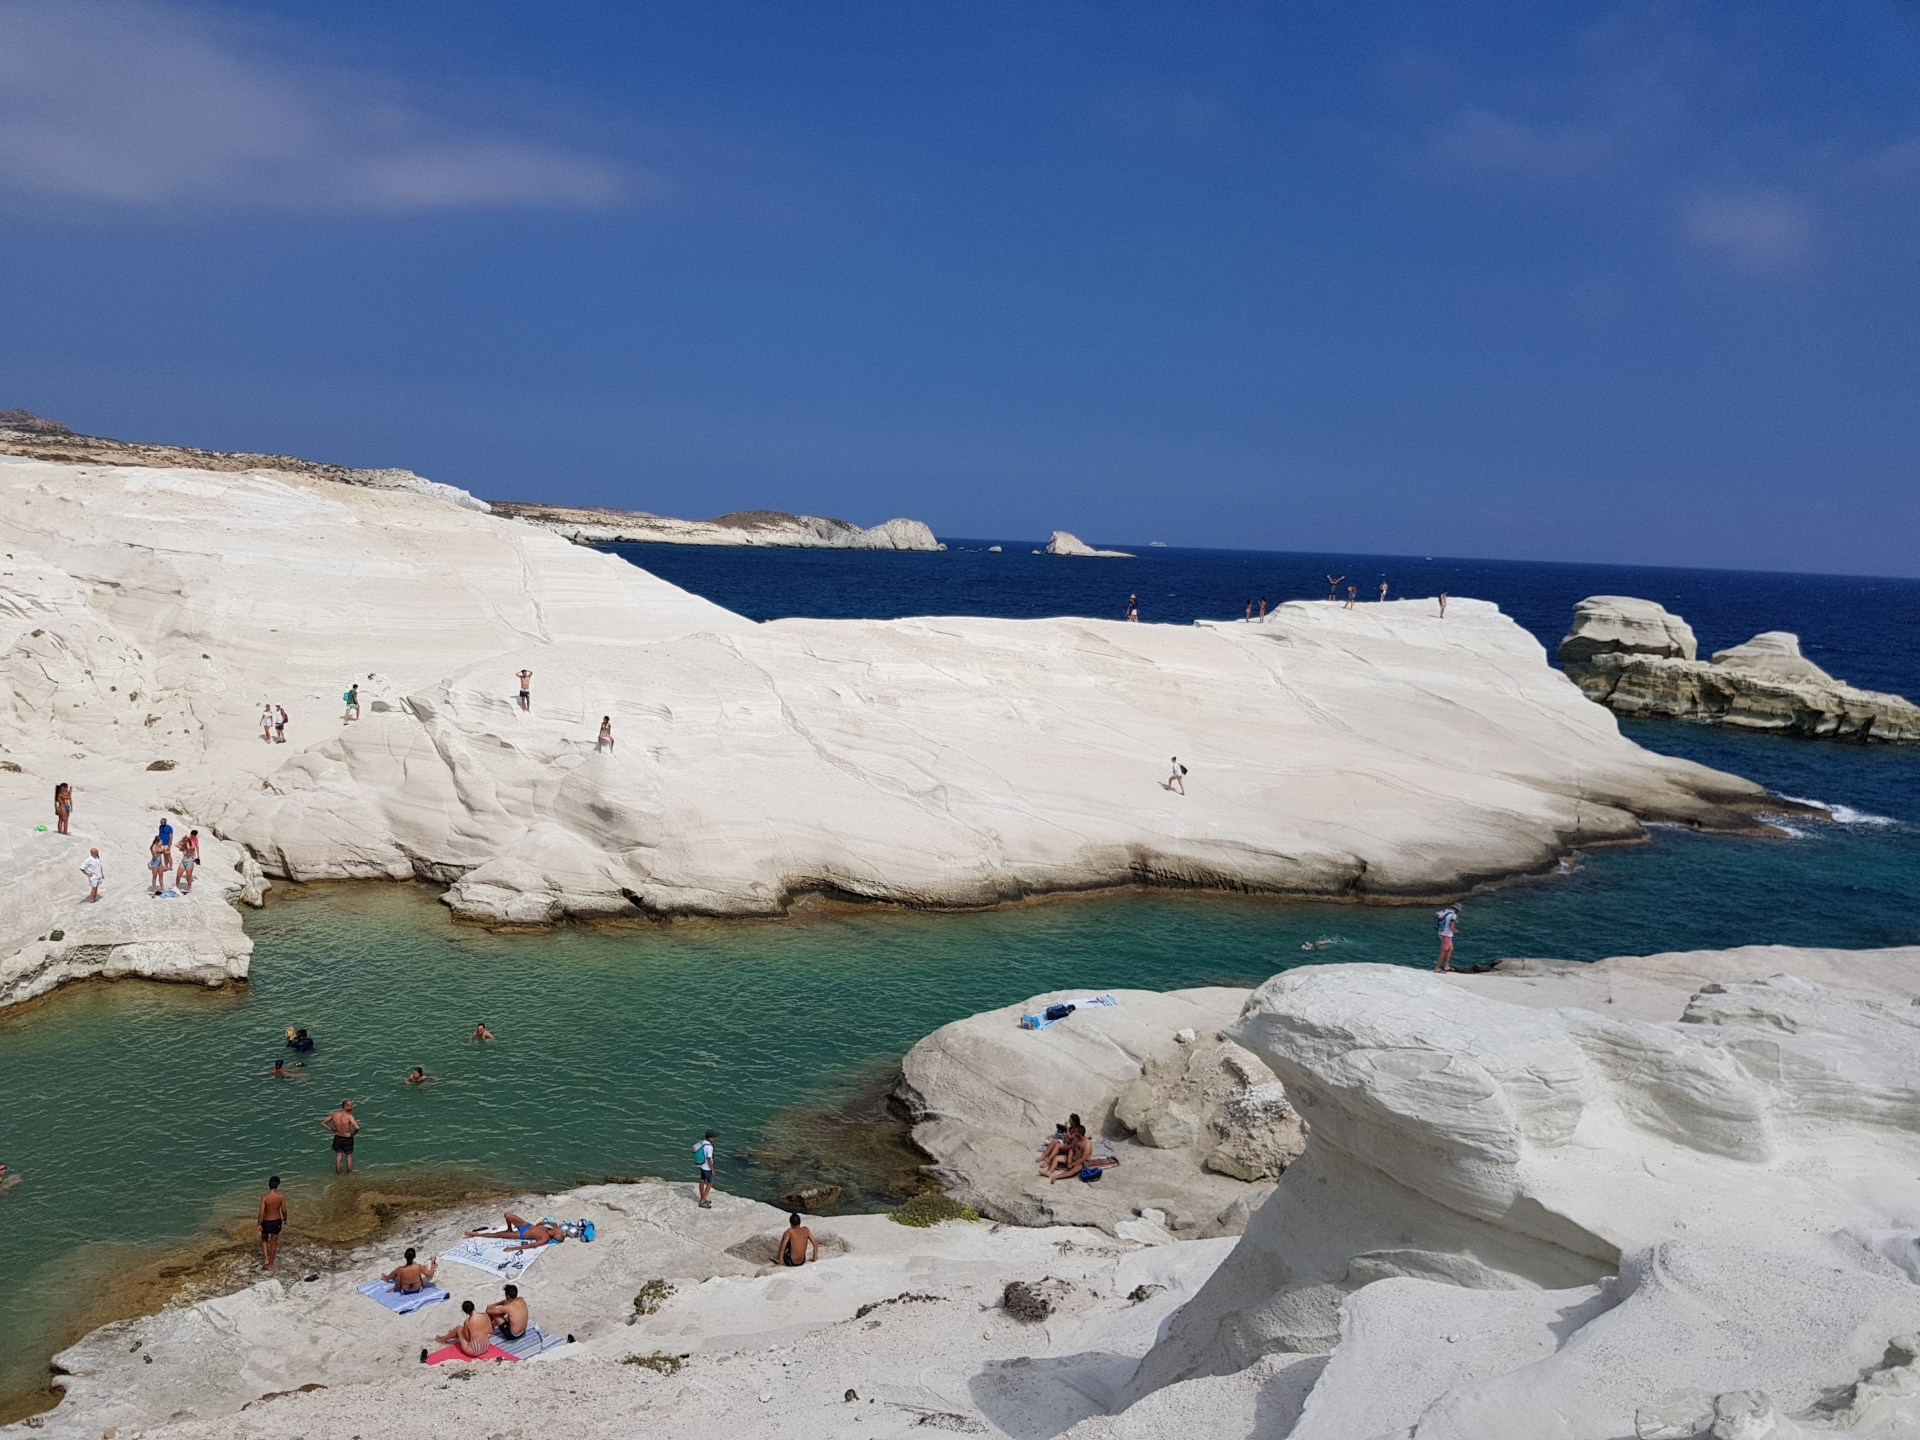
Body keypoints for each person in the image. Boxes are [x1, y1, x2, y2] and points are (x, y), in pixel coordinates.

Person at [465, 1213, 565, 1251]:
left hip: (522, 1234)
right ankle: (509, 1228)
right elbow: (550, 1222)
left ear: (556, 1235)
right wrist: (541, 1223)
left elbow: (531, 1246)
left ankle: (477, 1234)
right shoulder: (554, 1227)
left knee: (497, 1235)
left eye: (560, 1231)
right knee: (507, 1215)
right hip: (526, 1225)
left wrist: (513, 1248)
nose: (560, 1229)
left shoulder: (545, 1239)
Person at [258, 1176, 288, 1271]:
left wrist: (259, 1223)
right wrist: (285, 1219)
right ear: (277, 1185)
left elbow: (262, 1211)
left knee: (264, 1239)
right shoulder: (281, 1197)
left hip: (266, 1221)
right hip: (276, 1221)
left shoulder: (264, 1198)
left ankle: (266, 1259)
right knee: (273, 1242)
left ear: (269, 1185)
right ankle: (271, 1263)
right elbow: (284, 1210)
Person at [323, 1098, 360, 1174]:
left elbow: (323, 1123)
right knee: (349, 1157)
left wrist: (333, 1130)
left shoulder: (334, 1114)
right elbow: (357, 1127)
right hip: (347, 1138)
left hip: (338, 1137)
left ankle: (338, 1175)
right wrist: (354, 1133)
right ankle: (349, 1175)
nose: (352, 1107)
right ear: (346, 1106)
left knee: (338, 1157)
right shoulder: (349, 1116)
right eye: (351, 1106)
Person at [1435, 903, 1461, 973]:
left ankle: (1446, 966)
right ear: (1457, 909)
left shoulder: (1445, 911)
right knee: (1444, 950)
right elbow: (1451, 927)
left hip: (1441, 932)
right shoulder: (1453, 915)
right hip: (1446, 934)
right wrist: (1455, 930)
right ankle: (1437, 968)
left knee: (1450, 948)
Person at [694, 1130, 717, 1208]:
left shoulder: (703, 1142)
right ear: (710, 1138)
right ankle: (703, 1201)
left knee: (702, 1180)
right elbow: (709, 1159)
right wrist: (712, 1169)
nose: (715, 1138)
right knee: (710, 1183)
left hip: (702, 1165)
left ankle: (702, 1198)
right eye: (714, 1137)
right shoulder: (709, 1147)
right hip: (707, 1167)